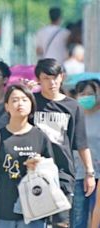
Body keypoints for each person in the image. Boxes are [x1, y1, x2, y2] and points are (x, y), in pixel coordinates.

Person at [33, 58, 96, 227]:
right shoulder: (31, 102)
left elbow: (81, 143)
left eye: (55, 77)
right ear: (38, 79)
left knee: (61, 223)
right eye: (46, 78)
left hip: (63, 173)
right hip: (33, 172)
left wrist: (89, 173)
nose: (51, 82)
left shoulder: (73, 106)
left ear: (61, 77)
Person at [0, 84, 54, 228]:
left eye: (24, 99)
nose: (19, 103)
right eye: (14, 100)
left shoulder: (40, 136)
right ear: (7, 106)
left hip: (35, 211)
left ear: (31, 105)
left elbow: (51, 171)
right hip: (4, 213)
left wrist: (39, 165)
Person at [71, 80, 100, 228]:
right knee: (78, 219)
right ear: (76, 96)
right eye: (83, 94)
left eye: (91, 94)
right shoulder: (73, 117)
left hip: (98, 175)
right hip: (78, 174)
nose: (87, 97)